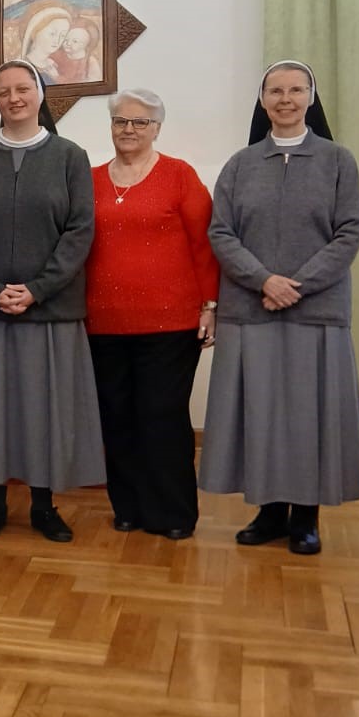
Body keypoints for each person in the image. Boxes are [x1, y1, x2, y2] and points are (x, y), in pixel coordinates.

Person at [200, 61, 359, 556]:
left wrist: (298, 284)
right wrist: (263, 280)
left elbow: (350, 232)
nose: (286, 98)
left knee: (309, 417)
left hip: (316, 312)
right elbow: (220, 233)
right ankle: (269, 512)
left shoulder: (339, 161)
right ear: (263, 99)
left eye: (296, 90)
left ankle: (306, 518)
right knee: (261, 414)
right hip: (251, 310)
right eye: (276, 90)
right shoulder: (240, 164)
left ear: (311, 98)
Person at [0, 60, 104, 543]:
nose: (14, 98)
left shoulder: (69, 156)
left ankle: (43, 505)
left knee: (44, 410)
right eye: (3, 91)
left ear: (41, 94)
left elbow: (80, 231)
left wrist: (36, 289)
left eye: (23, 88)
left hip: (49, 311)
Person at [84, 89, 219, 541]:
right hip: (102, 322)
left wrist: (210, 305)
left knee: (162, 415)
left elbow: (205, 245)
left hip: (171, 322)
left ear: (157, 128)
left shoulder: (179, 176)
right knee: (117, 416)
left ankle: (174, 511)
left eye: (140, 123)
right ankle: (129, 507)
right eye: (121, 121)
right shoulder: (91, 179)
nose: (129, 130)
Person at [19, 6, 72, 83]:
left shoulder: (53, 65)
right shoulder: (25, 67)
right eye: (52, 33)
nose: (57, 40)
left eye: (63, 35)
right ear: (35, 32)